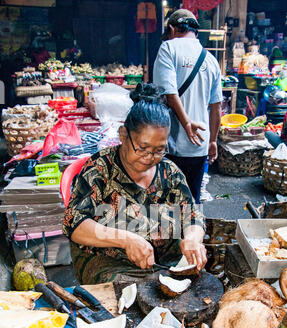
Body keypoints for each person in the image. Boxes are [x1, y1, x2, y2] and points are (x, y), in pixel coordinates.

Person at [62, 83, 207, 284]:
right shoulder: (100, 169)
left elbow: (193, 215)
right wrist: (126, 239)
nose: (149, 157)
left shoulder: (169, 172)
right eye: (142, 148)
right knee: (131, 295)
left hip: (164, 264)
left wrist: (192, 239)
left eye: (159, 150)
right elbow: (74, 223)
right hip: (110, 263)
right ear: (123, 135)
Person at [153, 9, 223, 203]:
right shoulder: (211, 59)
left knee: (168, 203)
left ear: (171, 29)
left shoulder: (168, 48)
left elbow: (169, 92)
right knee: (192, 200)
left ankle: (174, 233)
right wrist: (213, 141)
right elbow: (216, 106)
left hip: (170, 144)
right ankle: (193, 231)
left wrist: (185, 124)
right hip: (199, 145)